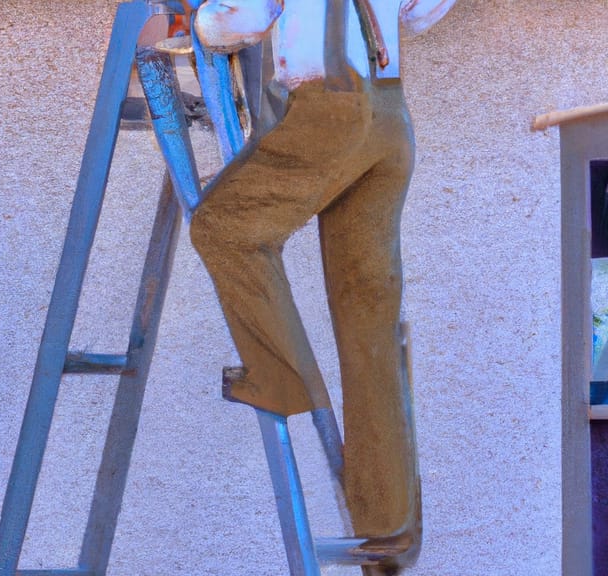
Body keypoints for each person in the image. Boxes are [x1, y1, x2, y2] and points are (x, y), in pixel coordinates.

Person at [177, 1, 456, 573]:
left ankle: (278, 377)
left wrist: (200, 22)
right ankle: (388, 529)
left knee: (224, 228)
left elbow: (242, 19)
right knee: (368, 326)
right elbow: (425, 11)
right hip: (390, 119)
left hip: (330, 110)